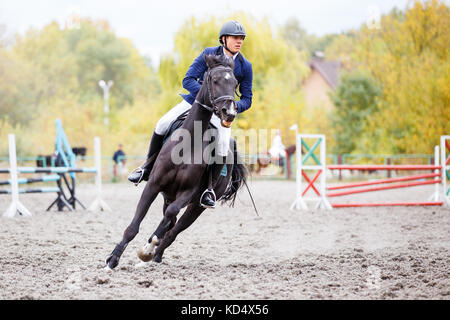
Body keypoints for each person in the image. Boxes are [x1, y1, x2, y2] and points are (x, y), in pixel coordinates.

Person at [128, 20, 253, 208]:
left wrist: (233, 106)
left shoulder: (245, 66)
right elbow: (188, 80)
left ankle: (209, 189)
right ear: (224, 39)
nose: (239, 41)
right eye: (236, 37)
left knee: (222, 145)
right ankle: (146, 168)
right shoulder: (208, 53)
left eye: (241, 38)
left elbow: (247, 98)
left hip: (221, 113)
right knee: (162, 124)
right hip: (195, 103)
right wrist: (206, 98)